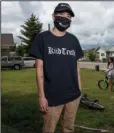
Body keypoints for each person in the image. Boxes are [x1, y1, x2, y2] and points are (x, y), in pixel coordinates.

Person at [30, 3, 84, 133]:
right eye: (61, 14)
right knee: (49, 129)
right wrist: (41, 96)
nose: (65, 17)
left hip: (73, 95)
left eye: (68, 15)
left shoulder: (73, 40)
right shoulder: (42, 38)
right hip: (52, 97)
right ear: (53, 16)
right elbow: (39, 70)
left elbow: (76, 68)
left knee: (68, 128)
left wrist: (80, 91)